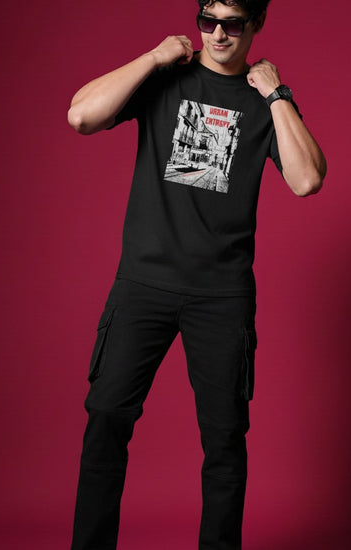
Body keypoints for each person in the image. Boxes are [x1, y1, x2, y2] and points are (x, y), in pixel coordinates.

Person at [67, 1, 326, 548]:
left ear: (256, 25)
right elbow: (81, 116)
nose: (218, 35)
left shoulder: (264, 102)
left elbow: (306, 181)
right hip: (143, 284)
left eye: (233, 23)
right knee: (106, 418)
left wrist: (277, 94)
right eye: (208, 21)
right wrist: (152, 57)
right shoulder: (165, 79)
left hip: (221, 296)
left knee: (224, 440)